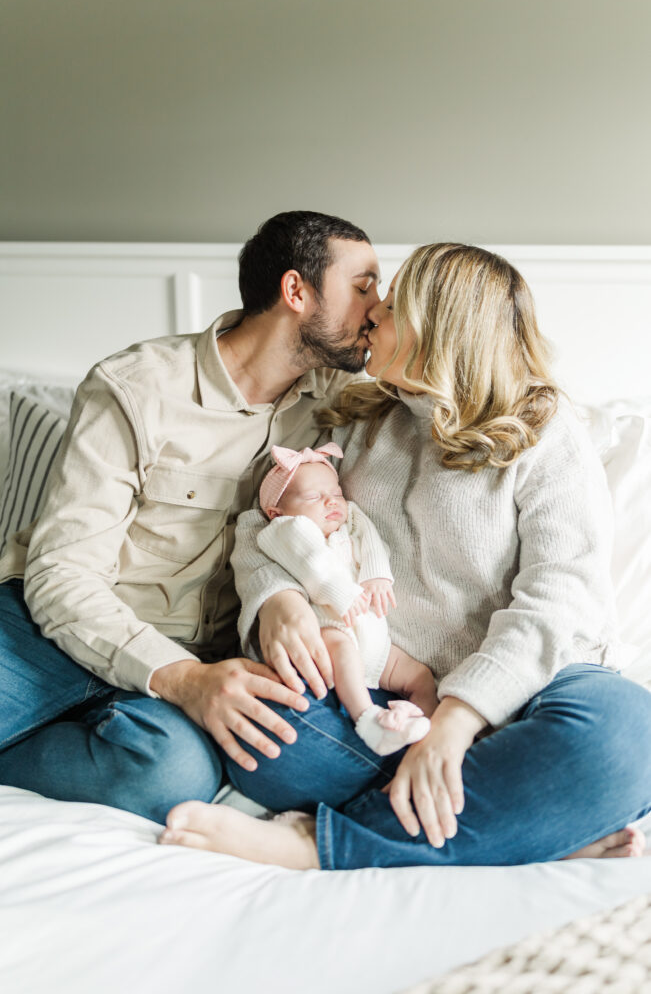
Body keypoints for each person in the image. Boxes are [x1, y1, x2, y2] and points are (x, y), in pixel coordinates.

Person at [158, 242, 651, 867]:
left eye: (389, 308)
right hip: (383, 694)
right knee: (268, 738)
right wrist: (275, 598)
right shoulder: (356, 419)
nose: (370, 318)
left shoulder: (546, 430)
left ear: (435, 328)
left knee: (626, 738)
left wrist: (456, 721)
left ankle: (316, 844)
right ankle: (527, 822)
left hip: (531, 688)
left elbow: (561, 599)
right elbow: (269, 521)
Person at [0, 210, 385, 824]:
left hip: (190, 651)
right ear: (296, 292)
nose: (377, 308)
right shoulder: (137, 387)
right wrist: (182, 681)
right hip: (42, 629)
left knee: (172, 775)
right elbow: (61, 575)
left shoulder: (336, 407)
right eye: (363, 285)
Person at [256, 441, 431, 755]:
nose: (330, 501)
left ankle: (419, 721)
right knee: (343, 652)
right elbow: (312, 564)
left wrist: (377, 575)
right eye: (313, 497)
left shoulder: (348, 522)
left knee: (420, 676)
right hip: (330, 625)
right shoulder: (287, 529)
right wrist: (343, 593)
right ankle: (368, 719)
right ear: (276, 511)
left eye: (336, 493)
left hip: (375, 638)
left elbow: (370, 538)